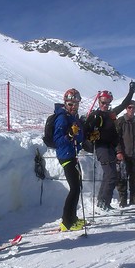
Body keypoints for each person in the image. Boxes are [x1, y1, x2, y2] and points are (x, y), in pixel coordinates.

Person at [85, 81, 135, 210]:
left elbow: (124, 104)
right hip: (101, 147)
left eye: (107, 103)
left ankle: (102, 202)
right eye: (103, 102)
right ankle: (104, 203)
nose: (105, 105)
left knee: (108, 175)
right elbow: (86, 129)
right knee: (111, 175)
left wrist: (131, 91)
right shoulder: (95, 115)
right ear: (99, 102)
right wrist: (91, 132)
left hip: (110, 148)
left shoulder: (111, 114)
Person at [53, 89, 85, 231]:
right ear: (65, 103)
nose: (73, 107)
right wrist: (69, 136)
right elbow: (57, 140)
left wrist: (78, 135)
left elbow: (79, 137)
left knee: (77, 188)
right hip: (65, 156)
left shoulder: (73, 117)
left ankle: (72, 218)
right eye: (70, 104)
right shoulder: (62, 118)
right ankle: (66, 222)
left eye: (76, 104)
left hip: (72, 154)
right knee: (74, 188)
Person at [115, 100, 135, 207]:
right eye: (129, 107)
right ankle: (123, 199)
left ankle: (134, 198)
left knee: (134, 177)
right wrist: (118, 151)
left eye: (133, 107)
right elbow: (116, 138)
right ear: (126, 108)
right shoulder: (120, 121)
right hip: (123, 155)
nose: (131, 109)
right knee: (122, 178)